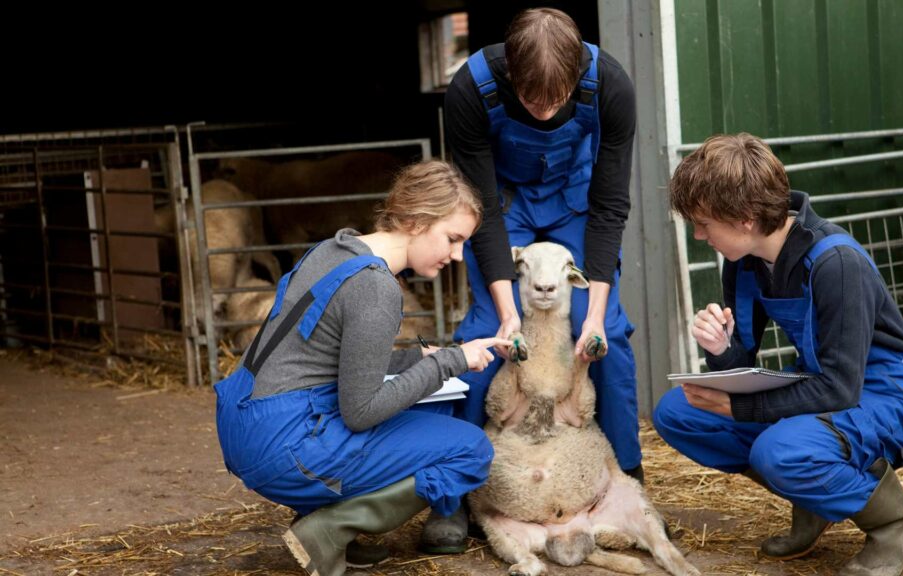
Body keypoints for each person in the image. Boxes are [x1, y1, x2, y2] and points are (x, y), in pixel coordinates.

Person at [653, 133, 903, 575]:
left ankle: (896, 523)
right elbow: (744, 362)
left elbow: (842, 386)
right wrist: (721, 351)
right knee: (678, 412)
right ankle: (816, 499)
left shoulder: (835, 263)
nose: (698, 234)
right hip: (823, 383)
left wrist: (741, 406)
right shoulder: (744, 262)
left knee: (779, 451)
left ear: (745, 218)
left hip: (891, 391)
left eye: (705, 222)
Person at [214, 160, 511, 576]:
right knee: (471, 449)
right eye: (453, 238)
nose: (458, 255)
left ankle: (328, 529)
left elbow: (334, 361)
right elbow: (361, 411)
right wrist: (451, 360)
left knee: (436, 410)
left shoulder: (335, 248)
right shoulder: (377, 288)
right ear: (414, 221)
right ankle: (329, 529)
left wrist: (418, 360)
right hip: (285, 443)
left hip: (246, 420)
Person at [443, 7, 642, 546]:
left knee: (611, 336)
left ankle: (625, 479)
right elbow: (478, 205)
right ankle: (453, 494)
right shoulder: (471, 91)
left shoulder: (611, 86)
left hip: (578, 205)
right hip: (502, 208)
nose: (548, 112)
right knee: (484, 332)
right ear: (511, 73)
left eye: (559, 100)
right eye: (535, 102)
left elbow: (610, 207)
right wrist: (510, 316)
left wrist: (596, 314)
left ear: (577, 77)